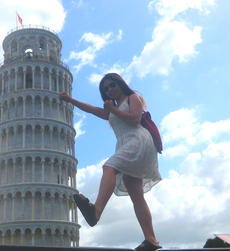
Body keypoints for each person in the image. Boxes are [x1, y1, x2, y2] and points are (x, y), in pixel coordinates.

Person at [59, 73, 162, 251]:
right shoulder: (111, 108)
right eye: (105, 89)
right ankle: (151, 239)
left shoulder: (132, 98)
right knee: (137, 195)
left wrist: (113, 110)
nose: (110, 90)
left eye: (112, 85)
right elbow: (91, 109)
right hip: (127, 143)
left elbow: (136, 118)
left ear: (121, 84)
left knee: (109, 167)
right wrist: (70, 100)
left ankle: (96, 211)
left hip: (138, 140)